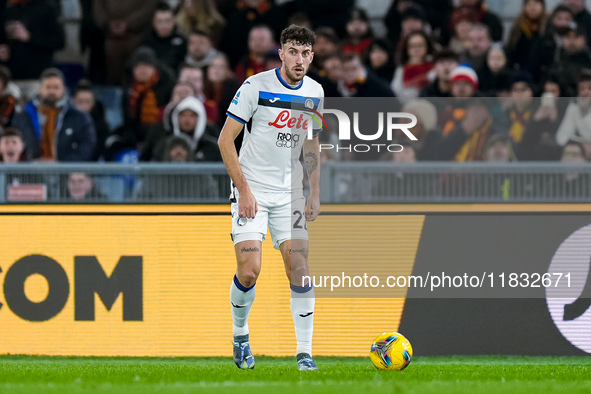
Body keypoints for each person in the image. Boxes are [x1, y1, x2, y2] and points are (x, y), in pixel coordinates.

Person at [217, 24, 323, 371]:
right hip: (253, 188)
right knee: (250, 271)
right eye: (293, 51)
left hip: (290, 191)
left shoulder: (315, 92)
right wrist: (244, 190)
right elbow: (224, 140)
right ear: (281, 53)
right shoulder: (255, 87)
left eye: (306, 53)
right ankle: (240, 335)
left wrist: (313, 193)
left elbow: (311, 144)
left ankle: (305, 354)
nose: (299, 59)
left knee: (301, 271)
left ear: (312, 55)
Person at [11, 68, 97, 162]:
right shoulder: (23, 117)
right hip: (29, 172)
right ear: (40, 88)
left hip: (68, 173)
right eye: (48, 87)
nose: (52, 91)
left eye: (56, 87)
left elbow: (86, 146)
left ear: (63, 89)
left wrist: (62, 165)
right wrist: (31, 162)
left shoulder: (79, 118)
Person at [93, 0, 160, 85]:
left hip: (139, 35)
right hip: (110, 36)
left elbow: (149, 7)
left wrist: (129, 23)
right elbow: (98, 7)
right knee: (112, 75)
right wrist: (107, 23)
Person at [0, 0, 65, 84]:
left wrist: (29, 37)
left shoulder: (48, 8)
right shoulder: (9, 11)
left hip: (37, 77)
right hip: (11, 77)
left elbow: (59, 42)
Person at [140, 2, 187, 75]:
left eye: (167, 21)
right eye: (160, 21)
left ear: (174, 21)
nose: (164, 25)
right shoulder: (146, 42)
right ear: (153, 23)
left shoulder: (182, 42)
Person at [556, 69, 591, 156]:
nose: (586, 92)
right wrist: (581, 144)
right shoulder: (574, 107)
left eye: (590, 88)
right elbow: (561, 138)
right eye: (582, 89)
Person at [391, 30, 435, 100]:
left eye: (420, 45)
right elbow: (396, 91)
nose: (416, 49)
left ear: (427, 47)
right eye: (412, 46)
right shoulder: (401, 70)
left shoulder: (435, 67)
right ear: (407, 49)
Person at [506, 0, 549, 70]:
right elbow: (511, 48)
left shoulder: (548, 24)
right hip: (521, 69)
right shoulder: (518, 26)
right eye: (529, 4)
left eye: (536, 3)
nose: (532, 8)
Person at [73, 79, 110, 160]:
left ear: (93, 103)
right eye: (80, 102)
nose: (84, 106)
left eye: (87, 102)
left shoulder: (101, 125)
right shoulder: (66, 121)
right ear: (74, 102)